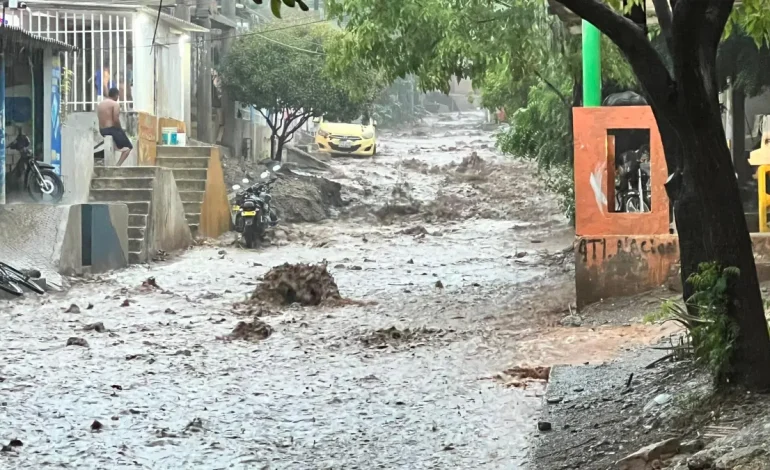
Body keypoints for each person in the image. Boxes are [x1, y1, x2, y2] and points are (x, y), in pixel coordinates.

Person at [97, 88, 132, 166]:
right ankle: (117, 166)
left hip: (102, 130)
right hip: (111, 130)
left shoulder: (100, 104)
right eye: (118, 96)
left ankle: (117, 147)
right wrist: (120, 129)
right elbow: (116, 119)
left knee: (118, 142)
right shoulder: (115, 104)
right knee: (129, 147)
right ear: (116, 95)